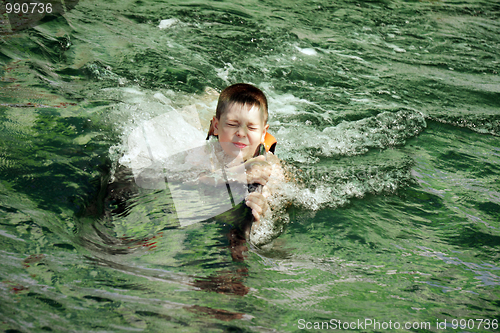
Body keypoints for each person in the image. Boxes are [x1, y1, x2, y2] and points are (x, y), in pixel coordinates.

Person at [205, 83, 285, 238]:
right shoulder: (207, 153)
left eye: (252, 128)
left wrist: (263, 210)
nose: (241, 132)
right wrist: (239, 175)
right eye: (232, 124)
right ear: (216, 126)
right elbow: (193, 182)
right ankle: (209, 96)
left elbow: (279, 201)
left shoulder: (271, 167)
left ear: (263, 133)